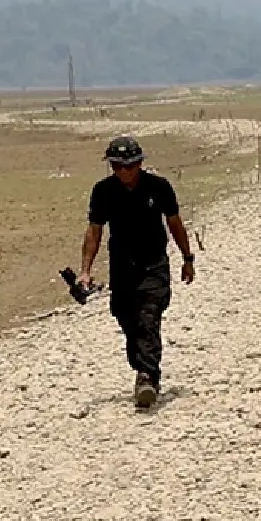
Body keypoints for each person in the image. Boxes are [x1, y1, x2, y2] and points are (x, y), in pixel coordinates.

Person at [78, 136, 195, 408]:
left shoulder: (159, 187)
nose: (123, 171)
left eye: (129, 165)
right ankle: (142, 368)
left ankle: (147, 376)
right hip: (121, 267)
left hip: (154, 264)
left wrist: (187, 258)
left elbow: (175, 224)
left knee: (148, 316)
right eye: (117, 166)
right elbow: (94, 231)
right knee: (126, 319)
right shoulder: (103, 191)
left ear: (140, 163)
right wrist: (85, 270)